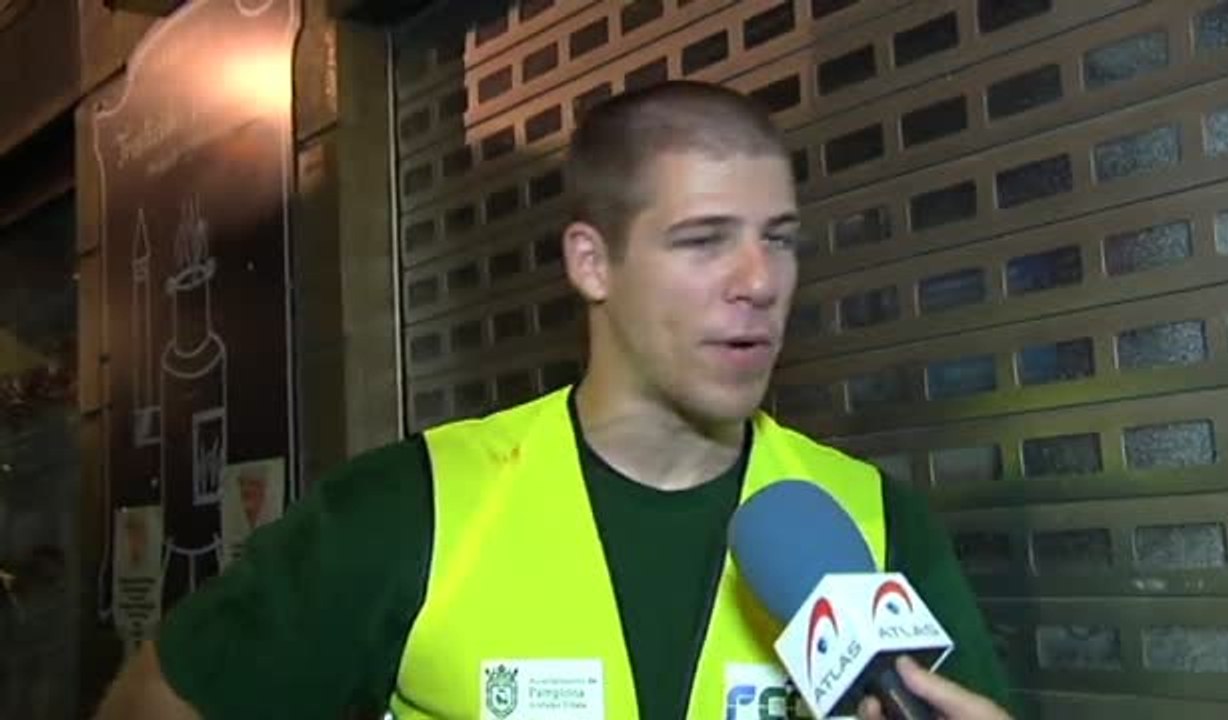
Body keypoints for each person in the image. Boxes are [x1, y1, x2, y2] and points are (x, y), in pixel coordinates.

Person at [95, 80, 1015, 719]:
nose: (759, 280)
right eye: (703, 240)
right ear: (591, 262)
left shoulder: (870, 525)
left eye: (779, 238)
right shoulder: (407, 513)